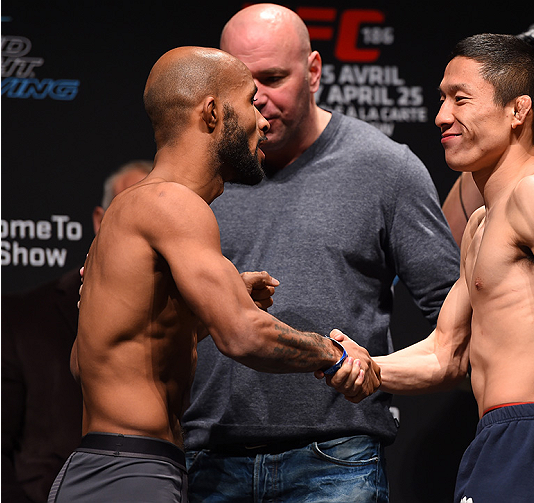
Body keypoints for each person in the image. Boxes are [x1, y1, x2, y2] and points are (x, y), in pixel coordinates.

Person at [46, 46, 380, 503]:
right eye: (250, 102)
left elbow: (83, 359)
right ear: (211, 112)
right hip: (133, 473)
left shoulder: (132, 208)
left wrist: (191, 313)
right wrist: (334, 353)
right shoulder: (177, 205)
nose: (262, 122)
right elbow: (245, 336)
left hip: (108, 465)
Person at [182, 4, 460, 502]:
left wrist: (372, 369)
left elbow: (457, 318)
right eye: (241, 82)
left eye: (272, 77)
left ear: (313, 72)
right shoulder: (193, 180)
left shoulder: (385, 168)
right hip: (208, 459)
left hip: (336, 460)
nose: (257, 98)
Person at [332, 33, 534, 502]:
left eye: (460, 100)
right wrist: (367, 367)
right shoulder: (482, 223)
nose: (441, 116)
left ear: (518, 111)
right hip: (494, 436)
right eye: (442, 99)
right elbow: (446, 352)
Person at [1, 159, 151, 503]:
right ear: (100, 220)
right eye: (130, 210)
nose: (145, 226)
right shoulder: (23, 317)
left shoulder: (197, 314)